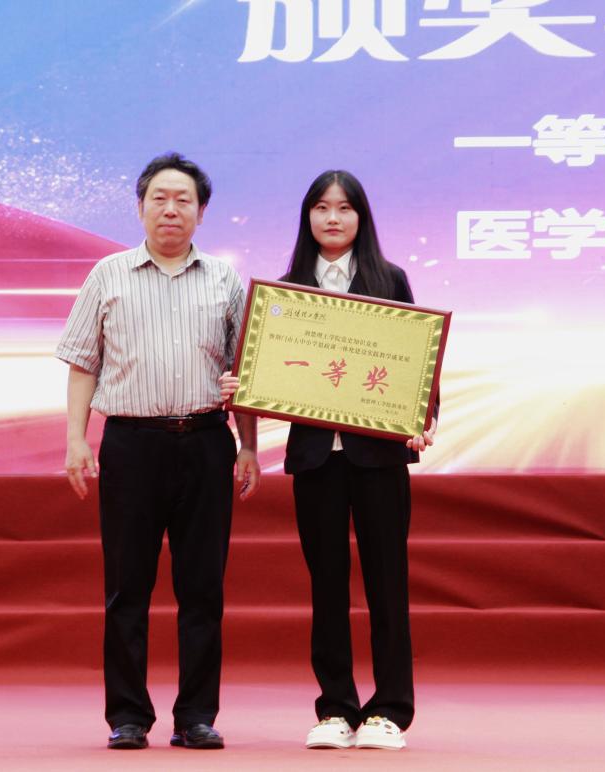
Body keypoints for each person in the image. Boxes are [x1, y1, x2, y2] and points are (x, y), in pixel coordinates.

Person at [221, 170, 435, 751]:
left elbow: (416, 363)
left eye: (344, 207)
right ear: (307, 217)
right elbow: (264, 371)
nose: (332, 218)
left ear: (361, 217)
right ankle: (336, 708)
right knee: (327, 586)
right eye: (321, 207)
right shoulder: (285, 292)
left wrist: (421, 419)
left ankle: (390, 711)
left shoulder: (390, 280)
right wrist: (243, 385)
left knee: (387, 583)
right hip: (317, 459)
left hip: (379, 457)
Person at [56, 152, 260, 752]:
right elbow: (82, 363)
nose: (171, 210)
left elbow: (246, 375)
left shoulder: (224, 280)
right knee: (127, 586)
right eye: (159, 199)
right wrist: (75, 439)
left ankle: (196, 716)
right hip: (131, 444)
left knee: (203, 588)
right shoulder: (108, 274)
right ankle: (128, 716)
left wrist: (248, 445)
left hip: (205, 442)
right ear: (141, 207)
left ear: (201, 212)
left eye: (183, 200)